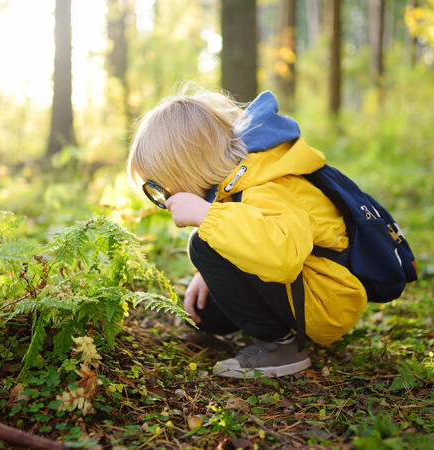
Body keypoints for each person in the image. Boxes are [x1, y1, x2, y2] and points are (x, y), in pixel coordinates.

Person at [127, 84, 367, 378]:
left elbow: (283, 255)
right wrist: (208, 273)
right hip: (305, 288)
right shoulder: (235, 180)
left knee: (201, 244)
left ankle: (280, 347)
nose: (162, 198)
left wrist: (206, 217)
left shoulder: (266, 181)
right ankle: (265, 329)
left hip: (325, 299)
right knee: (207, 316)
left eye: (160, 187)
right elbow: (248, 229)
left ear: (187, 168)